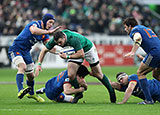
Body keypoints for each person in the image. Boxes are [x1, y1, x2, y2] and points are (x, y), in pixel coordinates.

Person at [35, 29, 116, 103]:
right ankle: (78, 93)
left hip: (88, 49)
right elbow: (44, 50)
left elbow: (81, 54)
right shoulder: (55, 39)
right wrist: (39, 64)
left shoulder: (73, 39)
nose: (59, 45)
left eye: (60, 42)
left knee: (97, 74)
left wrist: (67, 57)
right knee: (71, 74)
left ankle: (111, 90)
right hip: (75, 51)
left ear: (64, 37)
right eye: (57, 43)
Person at [8, 13, 61, 102]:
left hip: (26, 52)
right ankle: (20, 90)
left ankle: (31, 94)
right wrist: (48, 32)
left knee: (31, 76)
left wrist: (60, 52)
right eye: (50, 22)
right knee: (22, 67)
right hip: (16, 48)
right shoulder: (36, 24)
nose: (51, 25)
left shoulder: (45, 34)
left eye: (52, 23)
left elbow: (49, 47)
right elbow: (33, 31)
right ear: (44, 21)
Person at [123, 17, 160, 104]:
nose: (125, 30)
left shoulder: (134, 30)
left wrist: (133, 52)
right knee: (156, 74)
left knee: (140, 73)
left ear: (130, 26)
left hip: (154, 53)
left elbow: (138, 38)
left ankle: (148, 100)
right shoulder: (144, 28)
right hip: (158, 51)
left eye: (125, 27)